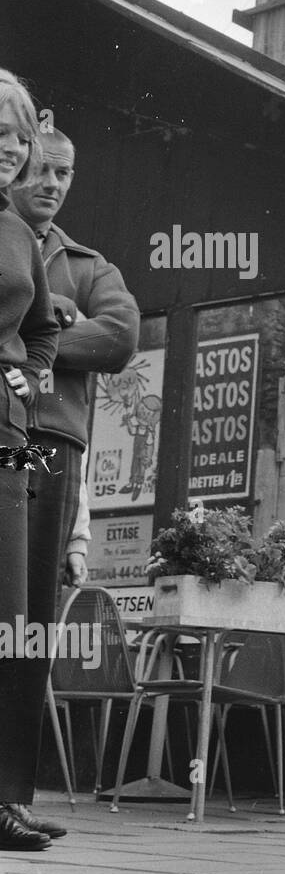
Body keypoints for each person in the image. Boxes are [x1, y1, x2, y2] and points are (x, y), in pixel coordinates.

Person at [10, 126, 139, 625]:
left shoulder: (90, 266)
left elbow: (121, 338)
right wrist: (61, 316)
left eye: (62, 173)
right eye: (40, 169)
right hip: (7, 430)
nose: (52, 183)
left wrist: (24, 345)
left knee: (33, 600)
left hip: (48, 443)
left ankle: (21, 706)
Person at [0, 69, 62, 852]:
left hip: (8, 441)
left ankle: (3, 800)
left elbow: (42, 329)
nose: (9, 150)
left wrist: (28, 372)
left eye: (17, 138)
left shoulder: (17, 231)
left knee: (8, 621)